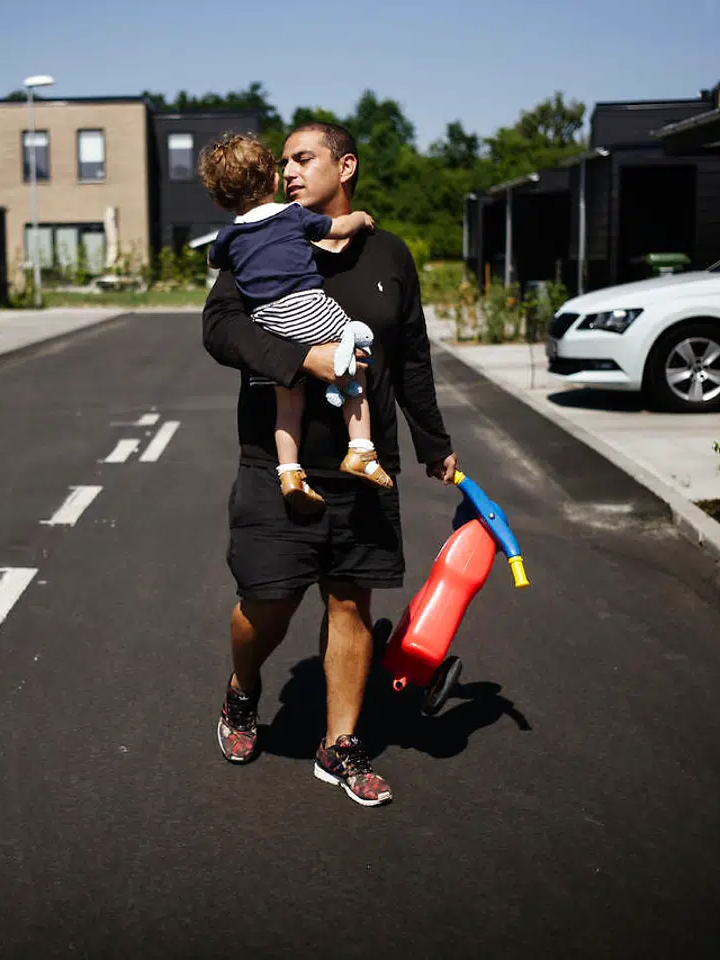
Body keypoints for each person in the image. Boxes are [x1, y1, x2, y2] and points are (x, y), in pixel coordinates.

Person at [202, 121, 458, 807]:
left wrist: (434, 443)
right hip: (276, 460)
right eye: (281, 160)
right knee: (268, 604)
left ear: (345, 166)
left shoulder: (390, 256)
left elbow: (411, 359)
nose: (286, 170)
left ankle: (339, 743)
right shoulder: (260, 241)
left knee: (351, 602)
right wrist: (299, 359)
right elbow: (220, 330)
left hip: (362, 466)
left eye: (302, 158)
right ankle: (243, 688)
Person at [198, 133, 394, 514]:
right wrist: (360, 219)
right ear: (272, 182)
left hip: (268, 323)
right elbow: (337, 228)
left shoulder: (230, 236)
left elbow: (214, 258)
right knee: (355, 362)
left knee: (287, 404)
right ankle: (360, 450)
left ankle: (289, 472)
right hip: (307, 308)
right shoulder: (292, 215)